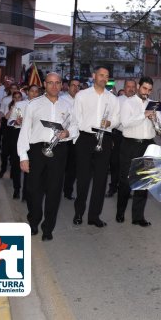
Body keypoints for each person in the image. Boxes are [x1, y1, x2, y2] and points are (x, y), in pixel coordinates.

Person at [18, 73, 75, 241]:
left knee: (54, 191)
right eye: (50, 83)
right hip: (37, 150)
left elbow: (76, 126)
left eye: (57, 83)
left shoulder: (67, 105)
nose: (54, 86)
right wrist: (23, 156)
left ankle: (48, 227)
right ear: (44, 84)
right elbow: (25, 131)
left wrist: (68, 133)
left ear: (61, 85)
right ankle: (34, 221)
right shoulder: (33, 105)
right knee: (33, 189)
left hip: (58, 151)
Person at [72, 66, 120, 228]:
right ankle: (79, 213)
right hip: (86, 138)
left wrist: (110, 123)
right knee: (83, 179)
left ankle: (94, 216)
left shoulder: (113, 98)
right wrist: (77, 140)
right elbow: (76, 119)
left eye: (106, 76)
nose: (104, 78)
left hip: (105, 138)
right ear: (94, 76)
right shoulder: (81, 95)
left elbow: (117, 119)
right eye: (101, 75)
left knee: (100, 180)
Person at [116, 76, 156, 227]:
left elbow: (157, 127)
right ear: (139, 86)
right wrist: (144, 115)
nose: (147, 92)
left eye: (150, 90)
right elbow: (125, 123)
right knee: (125, 181)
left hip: (147, 145)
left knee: (144, 181)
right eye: (145, 88)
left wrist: (156, 119)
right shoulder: (128, 103)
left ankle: (138, 217)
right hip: (130, 145)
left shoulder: (153, 104)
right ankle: (120, 212)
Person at [106, 80, 136, 198]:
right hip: (118, 135)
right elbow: (111, 118)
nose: (131, 89)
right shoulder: (118, 101)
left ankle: (126, 190)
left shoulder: (138, 102)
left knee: (129, 165)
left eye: (133, 87)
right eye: (128, 86)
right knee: (115, 163)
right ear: (124, 88)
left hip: (132, 137)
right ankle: (113, 187)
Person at [61, 79, 80, 200]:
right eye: (73, 85)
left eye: (78, 86)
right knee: (61, 166)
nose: (75, 88)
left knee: (73, 167)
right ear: (68, 87)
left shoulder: (81, 100)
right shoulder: (62, 99)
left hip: (77, 138)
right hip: (64, 138)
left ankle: (68, 191)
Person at [5, 91, 26, 199]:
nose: (18, 99)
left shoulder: (27, 105)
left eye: (19, 97)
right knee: (16, 163)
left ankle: (26, 192)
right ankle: (17, 189)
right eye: (16, 97)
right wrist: (16, 121)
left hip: (28, 136)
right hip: (16, 135)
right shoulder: (15, 107)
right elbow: (8, 121)